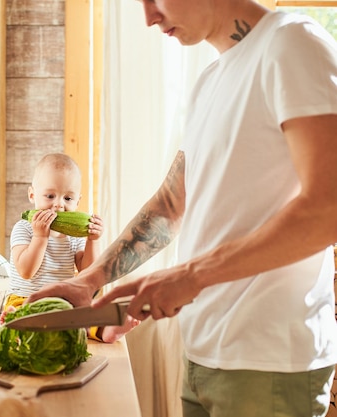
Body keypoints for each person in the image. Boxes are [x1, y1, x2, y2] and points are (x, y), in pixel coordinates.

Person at [27, 1, 337, 416]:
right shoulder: (211, 79)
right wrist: (89, 282)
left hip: (268, 364)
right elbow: (172, 204)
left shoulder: (292, 44)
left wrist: (189, 276)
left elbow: (328, 207)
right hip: (203, 352)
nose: (149, 16)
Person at [4, 153, 139, 343]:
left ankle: (105, 331)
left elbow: (87, 271)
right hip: (25, 298)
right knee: (25, 315)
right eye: (50, 196)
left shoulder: (75, 236)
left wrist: (93, 240)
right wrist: (40, 236)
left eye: (68, 198)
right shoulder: (24, 228)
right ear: (32, 195)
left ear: (78, 201)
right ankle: (16, 322)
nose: (59, 204)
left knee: (86, 311)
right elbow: (26, 271)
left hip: (64, 302)